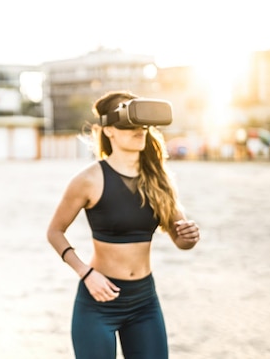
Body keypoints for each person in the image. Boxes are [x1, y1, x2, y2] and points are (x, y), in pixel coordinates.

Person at [46, 90, 200, 359]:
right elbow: (55, 232)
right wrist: (86, 273)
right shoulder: (89, 179)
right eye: (128, 123)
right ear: (108, 130)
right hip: (98, 302)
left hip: (144, 302)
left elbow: (181, 241)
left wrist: (189, 236)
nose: (138, 130)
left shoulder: (160, 180)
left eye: (141, 124)